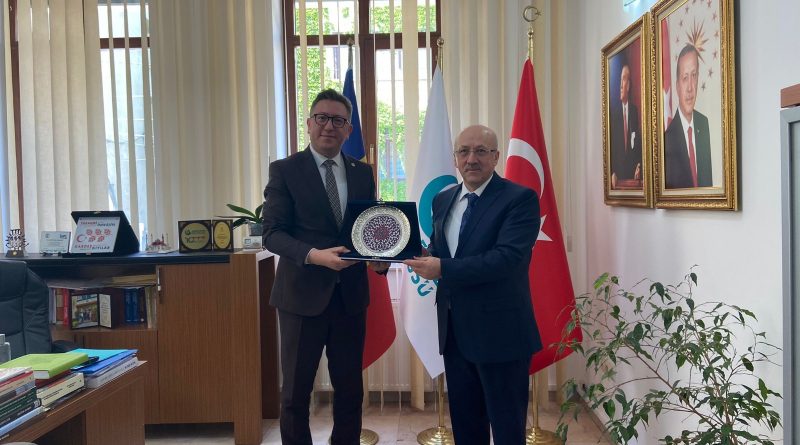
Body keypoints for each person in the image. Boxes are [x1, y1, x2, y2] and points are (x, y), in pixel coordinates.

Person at [262, 89, 387, 445]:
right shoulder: (285, 170)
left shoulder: (362, 173)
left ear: (349, 129)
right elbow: (272, 234)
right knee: (295, 394)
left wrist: (381, 259)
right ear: (308, 124)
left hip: (350, 299)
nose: (329, 126)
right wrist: (315, 255)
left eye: (338, 120)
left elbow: (368, 229)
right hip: (301, 298)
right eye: (322, 118)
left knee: (350, 392)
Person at [404, 125, 542, 445]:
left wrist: (442, 268)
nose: (471, 159)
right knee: (466, 429)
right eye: (464, 151)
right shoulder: (443, 199)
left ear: (496, 157)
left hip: (501, 335)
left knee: (507, 430)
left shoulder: (519, 199)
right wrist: (399, 257)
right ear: (455, 158)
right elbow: (440, 251)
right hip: (455, 334)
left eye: (481, 151)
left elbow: (507, 259)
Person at [664, 44, 712, 189]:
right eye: (685, 78)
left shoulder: (703, 124)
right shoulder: (667, 138)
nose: (690, 87)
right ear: (677, 86)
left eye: (694, 75)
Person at [610, 61, 642, 188]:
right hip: (617, 179)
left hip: (631, 178)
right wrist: (612, 172)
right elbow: (611, 148)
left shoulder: (634, 111)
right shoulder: (613, 114)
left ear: (628, 86)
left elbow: (636, 144)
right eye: (620, 80)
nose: (620, 85)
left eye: (623, 80)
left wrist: (638, 165)